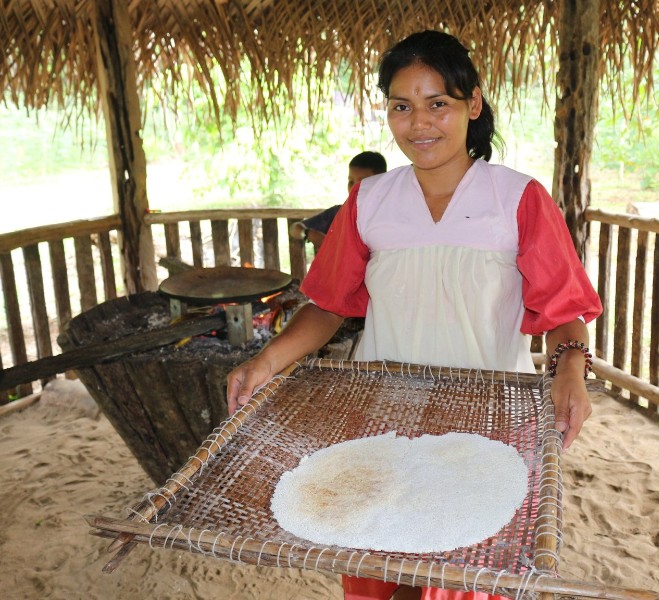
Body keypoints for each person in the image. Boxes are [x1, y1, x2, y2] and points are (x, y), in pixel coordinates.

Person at [228, 30, 602, 600]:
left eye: (438, 104)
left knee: (465, 574)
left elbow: (566, 311)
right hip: (382, 417)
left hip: (488, 424)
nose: (420, 123)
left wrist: (571, 371)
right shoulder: (370, 201)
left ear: (471, 105)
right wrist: (266, 361)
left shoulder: (518, 199)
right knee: (374, 566)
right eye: (402, 106)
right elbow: (328, 304)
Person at [289, 151, 387, 251]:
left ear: (381, 184)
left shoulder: (388, 215)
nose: (354, 188)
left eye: (362, 183)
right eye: (351, 182)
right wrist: (308, 234)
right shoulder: (339, 213)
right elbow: (294, 229)